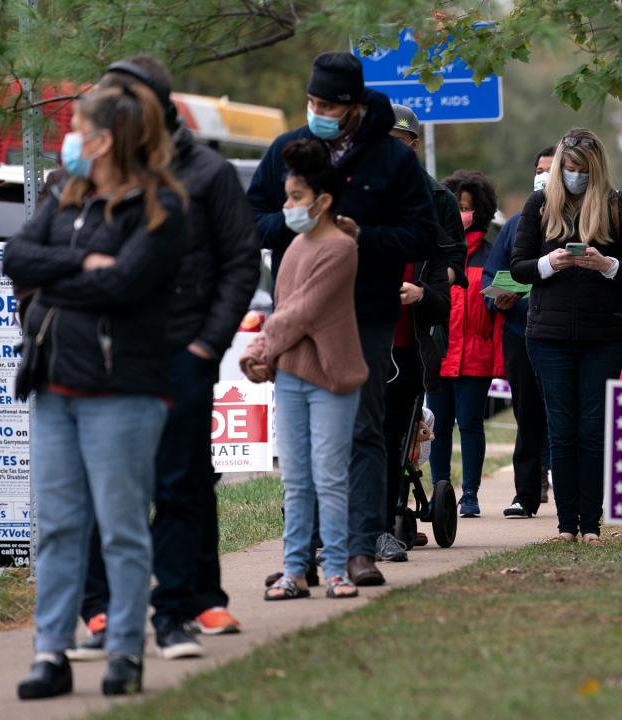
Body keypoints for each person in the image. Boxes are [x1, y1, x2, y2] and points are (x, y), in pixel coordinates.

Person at [62, 56, 260, 665]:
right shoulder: (93, 169)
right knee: (103, 484)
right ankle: (99, 610)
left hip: (181, 350)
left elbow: (238, 261)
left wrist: (207, 345)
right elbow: (49, 247)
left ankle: (179, 607)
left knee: (181, 479)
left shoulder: (204, 172)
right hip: (106, 353)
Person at [6, 83, 187, 699]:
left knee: (120, 525)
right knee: (57, 526)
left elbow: (130, 284)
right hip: (54, 383)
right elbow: (18, 262)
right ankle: (50, 652)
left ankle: (123, 652)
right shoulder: (63, 194)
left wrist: (61, 277)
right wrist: (84, 267)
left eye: (79, 127)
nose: (70, 138)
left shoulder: (159, 207)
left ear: (106, 138)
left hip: (123, 389)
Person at [247, 52, 444, 587]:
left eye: (329, 104)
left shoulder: (392, 161)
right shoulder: (290, 150)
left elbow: (423, 235)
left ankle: (358, 549)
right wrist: (293, 226)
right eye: (312, 102)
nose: (318, 111)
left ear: (355, 106)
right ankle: (304, 553)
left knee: (362, 428)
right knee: (302, 438)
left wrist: (363, 238)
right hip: (298, 312)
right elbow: (249, 218)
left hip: (365, 314)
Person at [241, 139, 368, 602]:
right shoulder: (294, 246)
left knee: (329, 477)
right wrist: (268, 356)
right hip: (291, 377)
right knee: (295, 479)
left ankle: (336, 569)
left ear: (324, 200)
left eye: (296, 197)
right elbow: (284, 309)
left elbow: (302, 312)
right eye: (287, 196)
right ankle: (294, 570)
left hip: (331, 378)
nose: (287, 206)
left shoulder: (340, 248)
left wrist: (258, 346)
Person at [510, 128, 622, 544]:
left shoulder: (618, 206)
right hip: (547, 334)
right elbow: (518, 267)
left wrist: (605, 265)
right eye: (569, 169)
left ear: (597, 169)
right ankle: (566, 525)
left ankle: (591, 524)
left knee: (592, 428)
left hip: (602, 334)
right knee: (561, 428)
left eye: (583, 170)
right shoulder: (539, 205)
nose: (574, 176)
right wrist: (549, 264)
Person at [380, 108, 453, 558]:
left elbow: (451, 273)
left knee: (391, 438)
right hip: (355, 346)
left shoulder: (436, 200)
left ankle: (387, 517)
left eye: (399, 140)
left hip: (407, 347)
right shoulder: (352, 195)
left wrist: (422, 292)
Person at [485, 146, 557, 518]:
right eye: (539, 169)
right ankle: (526, 494)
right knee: (527, 415)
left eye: (551, 169)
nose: (543, 175)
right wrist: (497, 300)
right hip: (519, 332)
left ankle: (571, 488)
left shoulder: (574, 222)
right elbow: (491, 273)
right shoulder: (514, 225)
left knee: (563, 412)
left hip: (560, 333)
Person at [428, 171, 504, 518]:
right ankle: (440, 492)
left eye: (467, 207)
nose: (462, 213)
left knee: (471, 424)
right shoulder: (437, 253)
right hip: (439, 354)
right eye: (456, 206)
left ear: (480, 211)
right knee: (437, 428)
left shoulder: (491, 255)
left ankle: (470, 494)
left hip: (475, 354)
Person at [389, 105, 467, 285]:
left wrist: (430, 287)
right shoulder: (361, 190)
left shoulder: (441, 198)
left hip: (421, 307)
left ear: (414, 145)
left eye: (397, 141)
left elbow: (456, 257)